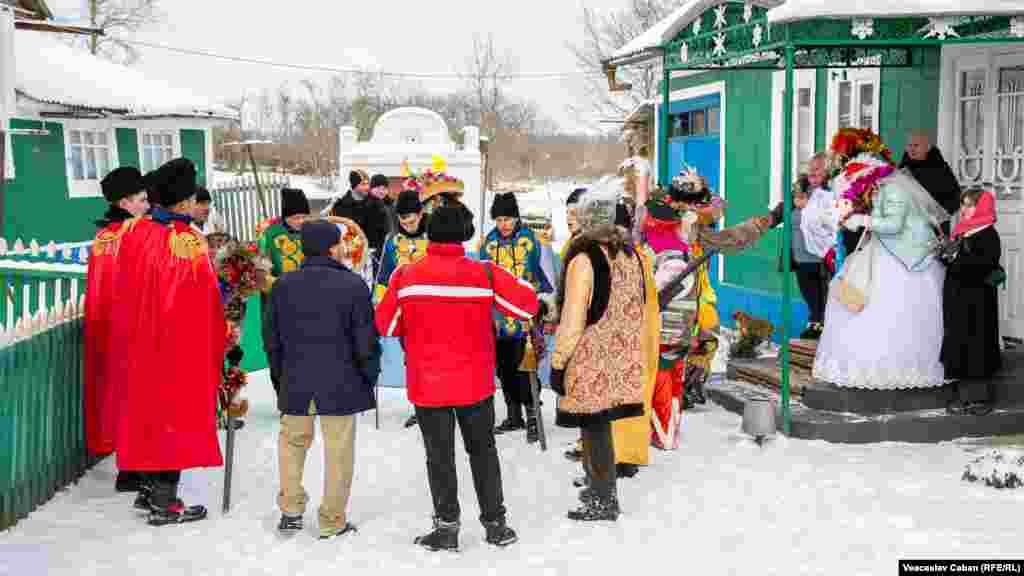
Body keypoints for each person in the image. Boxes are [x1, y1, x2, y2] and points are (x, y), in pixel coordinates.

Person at [374, 206, 539, 551]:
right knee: (483, 452)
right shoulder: (485, 272)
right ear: (464, 235)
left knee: (439, 456)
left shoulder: (406, 275)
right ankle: (496, 525)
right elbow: (527, 306)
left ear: (429, 234)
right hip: (474, 382)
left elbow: (386, 324)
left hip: (427, 382)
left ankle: (447, 527)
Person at [109, 158, 225, 525]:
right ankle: (165, 502)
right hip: (177, 345)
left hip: (138, 342)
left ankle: (147, 490)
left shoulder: (136, 232)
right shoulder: (187, 239)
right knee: (174, 418)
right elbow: (204, 296)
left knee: (147, 416)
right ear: (184, 201)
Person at [269, 220, 380, 539]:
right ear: (332, 248)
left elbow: (272, 339)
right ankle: (332, 520)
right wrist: (368, 375)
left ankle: (290, 509)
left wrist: (280, 378)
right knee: (338, 450)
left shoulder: (283, 285)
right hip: (341, 380)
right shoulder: (353, 286)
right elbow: (365, 341)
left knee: (292, 444)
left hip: (296, 379)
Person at [813, 139, 951, 390]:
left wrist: (861, 220)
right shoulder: (881, 189)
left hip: (905, 255)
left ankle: (894, 367)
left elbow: (894, 226)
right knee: (855, 294)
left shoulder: (894, 190)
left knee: (892, 308)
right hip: (885, 248)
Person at [550, 185, 652, 522]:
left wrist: (559, 362)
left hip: (590, 355)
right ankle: (600, 488)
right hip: (621, 353)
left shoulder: (584, 259)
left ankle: (602, 498)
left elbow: (573, 317)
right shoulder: (632, 255)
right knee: (602, 424)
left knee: (593, 428)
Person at [84, 166, 150, 495]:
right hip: (134, 327)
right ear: (124, 203)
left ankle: (128, 467)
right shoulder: (135, 234)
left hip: (107, 328)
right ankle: (136, 468)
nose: (147, 205)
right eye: (142, 199)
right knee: (139, 398)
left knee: (121, 396)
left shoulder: (104, 236)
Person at [480, 192, 553, 443]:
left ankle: (533, 417)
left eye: (508, 219)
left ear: (516, 217)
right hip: (499, 319)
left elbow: (545, 276)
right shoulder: (488, 244)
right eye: (499, 220)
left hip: (526, 317)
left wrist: (542, 304)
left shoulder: (532, 241)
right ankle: (514, 416)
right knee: (504, 369)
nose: (504, 224)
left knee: (525, 368)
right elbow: (483, 279)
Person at [942, 189, 1003, 415]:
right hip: (958, 298)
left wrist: (956, 258)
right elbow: (951, 261)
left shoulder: (988, 234)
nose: (964, 209)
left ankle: (980, 398)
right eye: (963, 204)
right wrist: (946, 254)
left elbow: (983, 264)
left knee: (977, 344)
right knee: (960, 343)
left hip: (977, 301)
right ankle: (962, 396)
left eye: (970, 205)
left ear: (982, 207)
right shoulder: (962, 231)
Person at [373, 189, 429, 428]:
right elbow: (383, 277)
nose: (407, 225)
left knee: (433, 360)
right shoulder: (392, 242)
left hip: (433, 310)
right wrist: (381, 304)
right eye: (403, 221)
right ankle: (420, 406)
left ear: (421, 214)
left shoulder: (434, 236)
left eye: (412, 220)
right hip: (405, 313)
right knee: (413, 361)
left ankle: (438, 405)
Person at [257, 187, 311, 396]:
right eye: (296, 217)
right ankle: (284, 394)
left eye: (304, 216)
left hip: (307, 304)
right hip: (277, 304)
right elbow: (261, 273)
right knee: (278, 351)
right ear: (285, 215)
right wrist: (282, 286)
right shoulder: (269, 234)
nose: (301, 221)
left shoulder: (311, 232)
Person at [329, 170, 391, 274]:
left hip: (372, 257)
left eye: (368, 184)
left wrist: (377, 252)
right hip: (348, 257)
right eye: (363, 184)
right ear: (354, 185)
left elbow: (385, 231)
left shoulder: (377, 204)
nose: (367, 187)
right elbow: (336, 230)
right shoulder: (340, 206)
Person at [899, 131, 961, 232]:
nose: (911, 149)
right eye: (909, 145)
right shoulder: (902, 170)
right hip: (908, 227)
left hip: (935, 228)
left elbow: (956, 197)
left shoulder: (940, 168)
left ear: (927, 148)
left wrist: (939, 213)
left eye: (916, 145)